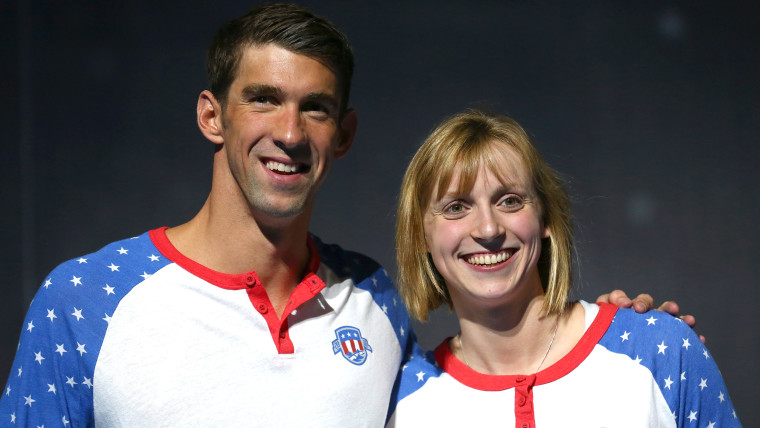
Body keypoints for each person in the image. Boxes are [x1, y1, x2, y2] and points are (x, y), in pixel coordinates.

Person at [1, 5, 691, 427]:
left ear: (345, 133)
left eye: (316, 108)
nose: (291, 133)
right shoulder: (87, 302)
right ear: (212, 116)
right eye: (264, 99)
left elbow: (484, 394)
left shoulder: (376, 304)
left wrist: (608, 336)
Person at [388, 110, 739, 427]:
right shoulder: (405, 405)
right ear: (420, 235)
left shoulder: (655, 351)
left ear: (546, 218)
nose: (489, 229)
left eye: (509, 201)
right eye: (456, 207)